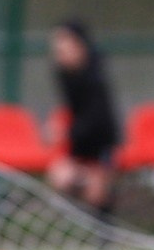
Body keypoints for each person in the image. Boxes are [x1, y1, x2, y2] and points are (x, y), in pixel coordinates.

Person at [44, 20, 120, 219]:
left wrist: (67, 133)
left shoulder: (94, 79)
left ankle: (103, 232)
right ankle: (82, 224)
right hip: (78, 143)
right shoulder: (65, 76)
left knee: (96, 190)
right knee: (60, 177)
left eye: (64, 42)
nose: (58, 49)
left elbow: (99, 120)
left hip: (100, 142)